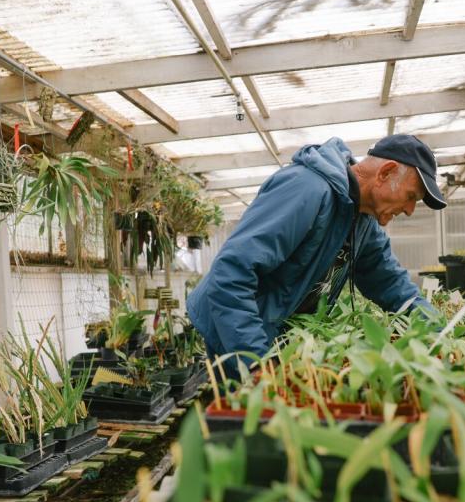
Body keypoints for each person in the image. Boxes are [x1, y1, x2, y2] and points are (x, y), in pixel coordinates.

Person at [187, 134, 447, 373]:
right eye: (411, 196)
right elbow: (233, 271)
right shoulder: (306, 189)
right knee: (249, 415)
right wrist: (257, 361)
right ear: (386, 173)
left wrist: (440, 330)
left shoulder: (364, 221)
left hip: (276, 332)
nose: (411, 210)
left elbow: (390, 282)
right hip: (236, 329)